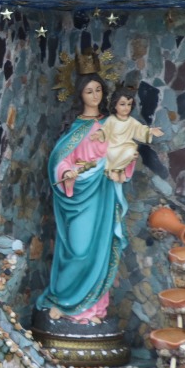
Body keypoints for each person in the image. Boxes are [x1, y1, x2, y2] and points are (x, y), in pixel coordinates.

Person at [37, 68, 124, 324]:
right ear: (80, 95)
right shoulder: (75, 128)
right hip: (79, 196)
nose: (95, 95)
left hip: (103, 196)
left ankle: (92, 308)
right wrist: (66, 172)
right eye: (89, 91)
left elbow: (122, 154)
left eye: (98, 90)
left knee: (99, 250)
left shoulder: (111, 124)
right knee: (77, 249)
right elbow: (60, 159)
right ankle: (62, 300)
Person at [94, 86, 162, 183]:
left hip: (126, 146)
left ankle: (120, 170)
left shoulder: (131, 121)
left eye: (129, 104)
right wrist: (99, 134)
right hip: (114, 146)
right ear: (115, 105)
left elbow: (140, 130)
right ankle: (113, 170)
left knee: (132, 152)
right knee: (114, 153)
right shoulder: (111, 120)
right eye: (122, 104)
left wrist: (150, 131)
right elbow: (105, 130)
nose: (126, 108)